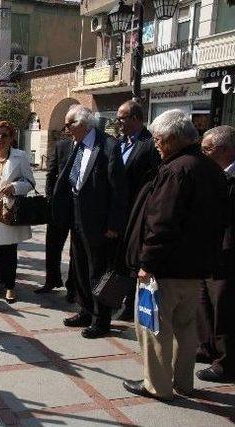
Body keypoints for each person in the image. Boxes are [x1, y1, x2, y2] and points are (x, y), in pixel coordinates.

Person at [123, 109, 227, 400]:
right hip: (195, 268)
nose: (155, 143)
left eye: (158, 138)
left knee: (154, 327)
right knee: (186, 328)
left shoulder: (176, 170)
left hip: (165, 269)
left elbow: (162, 223)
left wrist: (147, 263)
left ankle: (158, 386)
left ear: (171, 138)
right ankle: (184, 382)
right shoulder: (211, 169)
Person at [52, 105, 127, 339]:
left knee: (97, 270)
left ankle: (101, 320)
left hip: (98, 222)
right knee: (79, 267)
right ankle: (85, 309)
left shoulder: (108, 146)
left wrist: (114, 224)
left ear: (82, 124)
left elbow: (119, 190)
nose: (66, 130)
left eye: (68, 125)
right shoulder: (76, 145)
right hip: (75, 216)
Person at [196, 125, 235, 383]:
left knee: (224, 308)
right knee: (204, 301)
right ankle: (207, 347)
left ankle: (226, 363)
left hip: (228, 252)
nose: (203, 154)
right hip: (208, 250)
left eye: (207, 149)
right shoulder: (213, 174)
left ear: (226, 150)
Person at [115, 100, 161, 320]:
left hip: (138, 211)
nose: (118, 122)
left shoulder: (149, 144)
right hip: (118, 211)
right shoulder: (120, 142)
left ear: (135, 118)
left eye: (122, 118)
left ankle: (130, 306)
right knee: (119, 258)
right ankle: (116, 297)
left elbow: (155, 180)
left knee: (134, 260)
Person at [0, 121, 35, 303]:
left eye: (4, 135)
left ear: (12, 138)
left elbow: (30, 182)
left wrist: (15, 186)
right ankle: (1, 281)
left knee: (9, 249)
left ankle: (11, 286)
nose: (0, 138)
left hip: (8, 208)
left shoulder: (20, 157)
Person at [36, 135, 77, 302]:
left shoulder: (94, 146)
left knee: (76, 250)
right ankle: (51, 280)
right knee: (52, 245)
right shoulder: (62, 146)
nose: (68, 128)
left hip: (80, 207)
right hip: (59, 206)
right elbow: (51, 173)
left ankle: (73, 287)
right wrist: (50, 199)